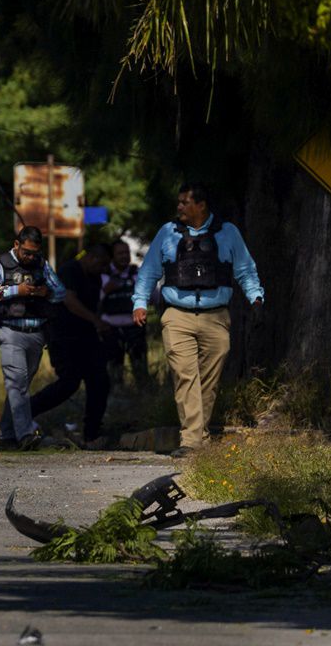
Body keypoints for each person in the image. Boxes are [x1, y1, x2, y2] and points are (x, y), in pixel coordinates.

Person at [132, 183, 263, 458]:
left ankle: (198, 435)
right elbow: (149, 272)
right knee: (185, 375)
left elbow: (245, 268)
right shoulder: (167, 233)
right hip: (176, 315)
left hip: (216, 317)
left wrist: (255, 295)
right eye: (178, 202)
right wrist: (140, 303)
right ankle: (192, 441)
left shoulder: (228, 233)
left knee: (208, 381)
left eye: (184, 202)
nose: (179, 207)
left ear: (200, 205)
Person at [0, 226, 66, 451]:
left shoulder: (41, 265)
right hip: (10, 333)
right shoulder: (0, 264)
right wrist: (17, 290)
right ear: (17, 244)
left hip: (36, 334)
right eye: (26, 252)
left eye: (34, 253)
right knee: (17, 385)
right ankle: (27, 433)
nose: (30, 257)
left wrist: (45, 292)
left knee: (19, 388)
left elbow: (61, 292)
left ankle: (7, 436)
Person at [27, 243, 114, 449]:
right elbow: (70, 301)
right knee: (69, 383)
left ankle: (91, 433)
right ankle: (25, 413)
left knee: (100, 381)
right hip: (64, 336)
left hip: (87, 338)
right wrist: (96, 321)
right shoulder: (70, 270)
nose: (103, 270)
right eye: (101, 264)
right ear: (92, 257)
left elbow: (93, 304)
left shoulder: (95, 277)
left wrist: (98, 323)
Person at [101, 239, 149, 388]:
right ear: (112, 256)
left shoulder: (138, 273)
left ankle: (143, 398)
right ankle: (117, 400)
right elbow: (91, 302)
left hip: (135, 328)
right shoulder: (102, 275)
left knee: (140, 369)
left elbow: (154, 296)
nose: (124, 256)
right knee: (114, 371)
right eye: (120, 253)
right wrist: (105, 291)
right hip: (110, 330)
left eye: (126, 253)